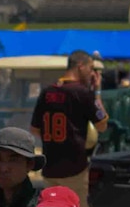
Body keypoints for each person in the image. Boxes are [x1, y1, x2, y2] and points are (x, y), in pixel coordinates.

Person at [30, 50, 108, 189]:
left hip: (50, 169)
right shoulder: (83, 93)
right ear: (80, 66)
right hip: (75, 169)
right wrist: (97, 92)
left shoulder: (47, 92)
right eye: (90, 68)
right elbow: (102, 124)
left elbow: (35, 130)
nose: (92, 74)